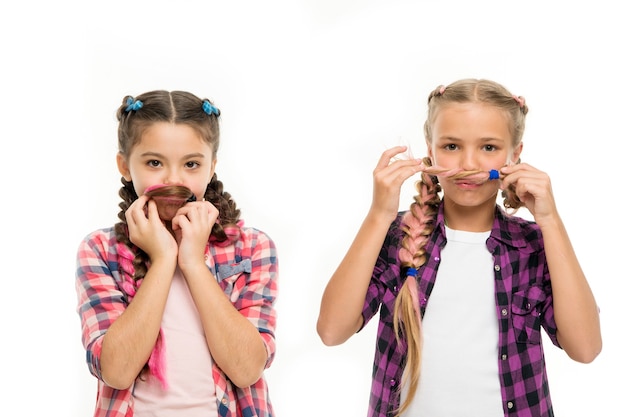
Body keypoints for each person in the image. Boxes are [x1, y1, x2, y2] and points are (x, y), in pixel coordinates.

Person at [316, 78, 601, 417]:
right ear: (430, 148)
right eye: (451, 146)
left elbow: (585, 348)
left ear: (516, 153)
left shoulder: (533, 245)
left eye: (489, 147)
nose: (469, 163)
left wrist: (550, 220)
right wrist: (380, 215)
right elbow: (332, 331)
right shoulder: (397, 235)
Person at [75, 90, 278, 417]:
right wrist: (164, 258)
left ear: (211, 167)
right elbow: (117, 371)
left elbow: (246, 369)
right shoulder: (100, 251)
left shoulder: (251, 248)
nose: (173, 179)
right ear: (124, 165)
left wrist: (193, 263)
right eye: (154, 162)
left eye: (191, 164)